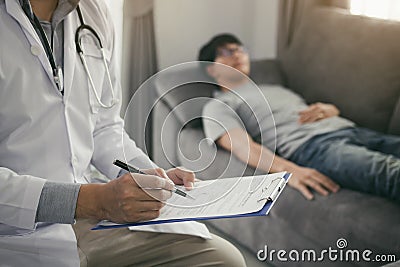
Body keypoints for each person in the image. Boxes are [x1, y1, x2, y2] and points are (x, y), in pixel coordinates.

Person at [0, 1, 246, 266]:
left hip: (92, 222)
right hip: (16, 233)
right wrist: (93, 201)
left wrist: (146, 175)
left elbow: (104, 126)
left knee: (224, 260)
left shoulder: (93, 12)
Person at [199, 33, 400, 202]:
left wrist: (331, 110)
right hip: (315, 147)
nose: (237, 54)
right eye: (226, 52)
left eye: (240, 49)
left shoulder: (275, 88)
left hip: (352, 130)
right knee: (391, 174)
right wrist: (290, 170)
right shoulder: (217, 106)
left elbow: (312, 110)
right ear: (211, 69)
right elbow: (243, 146)